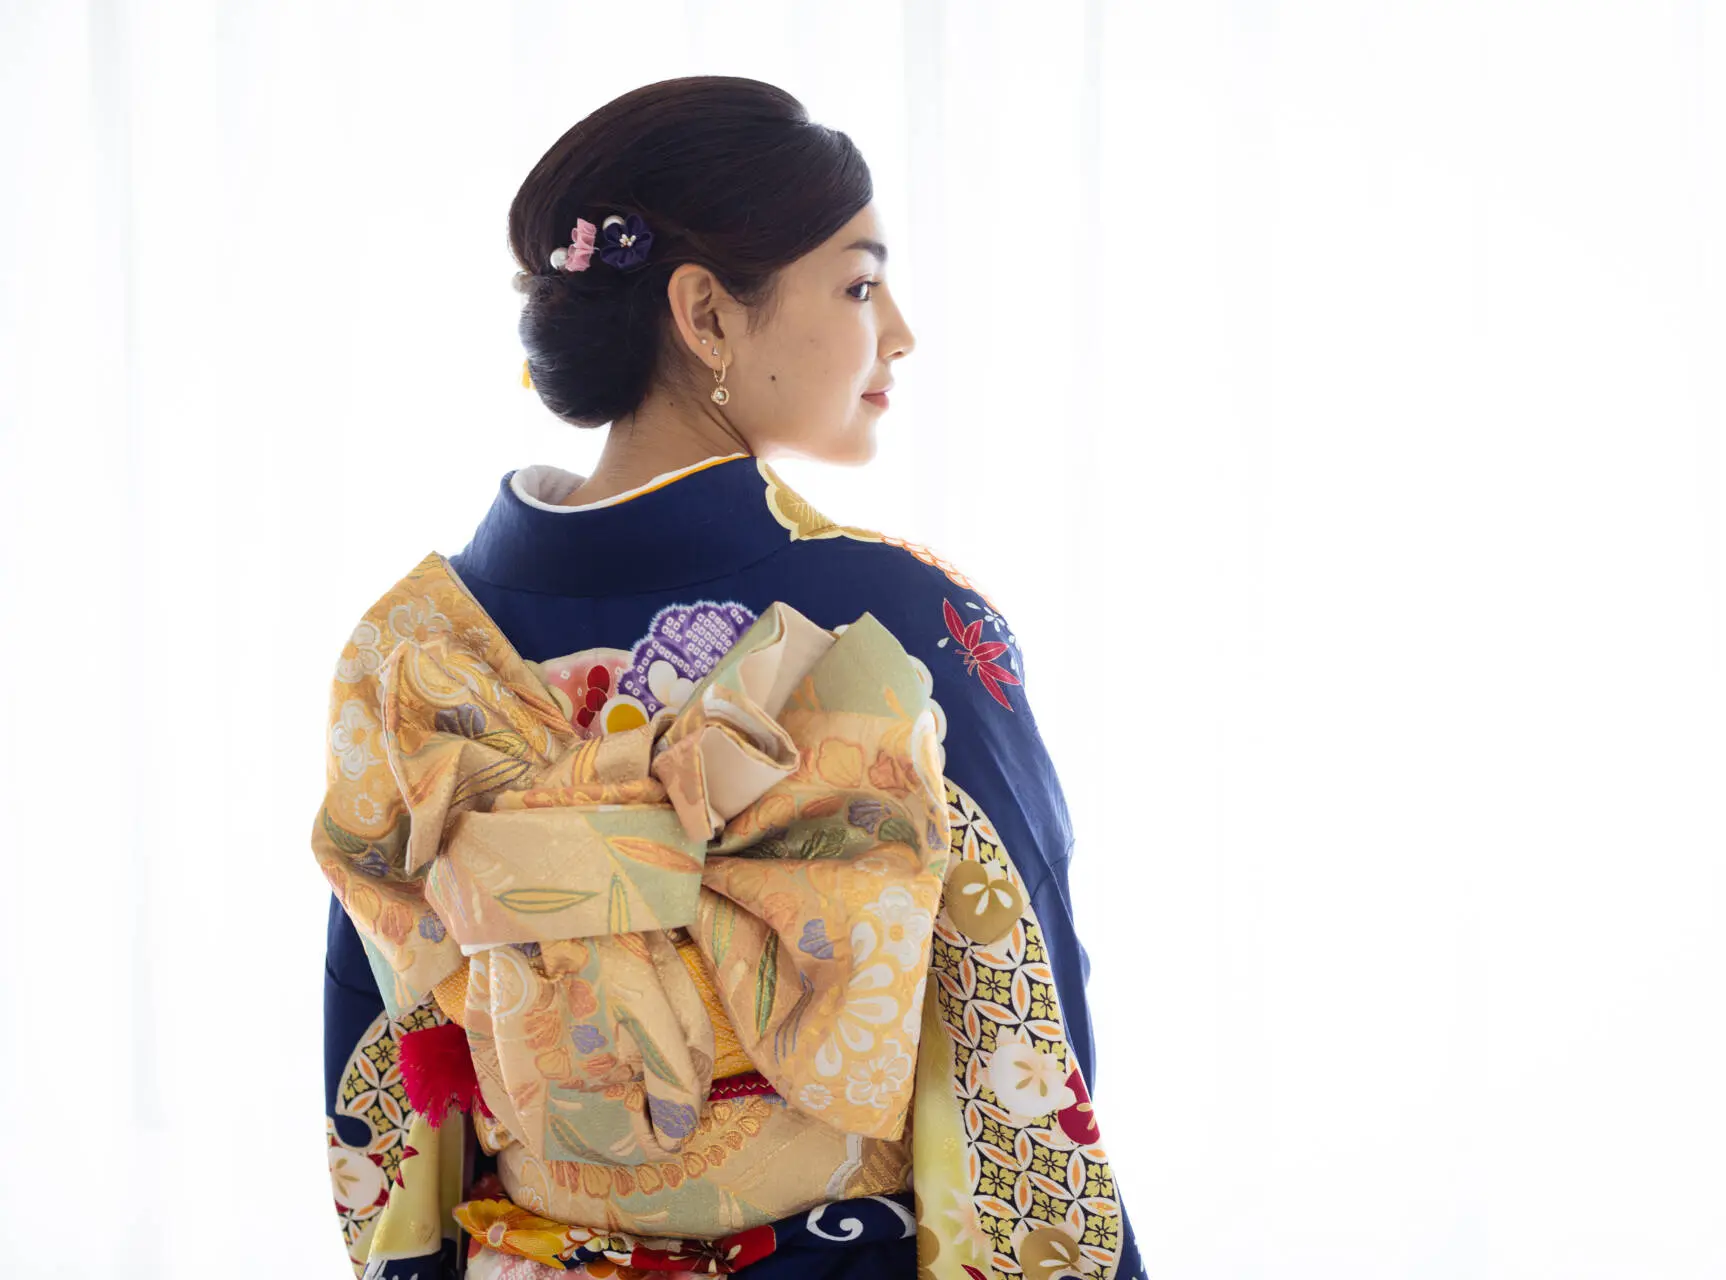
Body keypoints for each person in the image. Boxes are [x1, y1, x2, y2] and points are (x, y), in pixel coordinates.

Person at [317, 75, 1145, 1280]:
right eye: (860, 284)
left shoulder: (408, 651)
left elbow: (385, 1092)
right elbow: (1018, 1032)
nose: (898, 330)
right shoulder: (901, 622)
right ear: (705, 314)